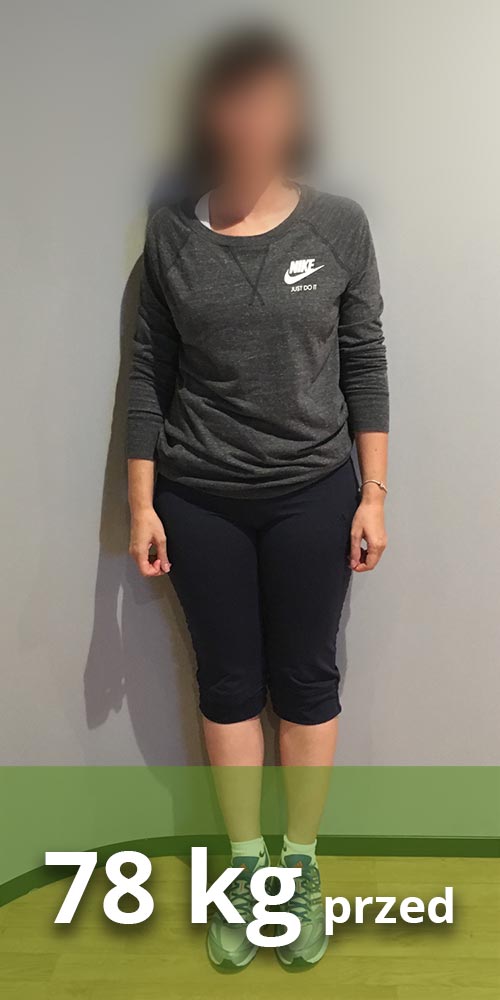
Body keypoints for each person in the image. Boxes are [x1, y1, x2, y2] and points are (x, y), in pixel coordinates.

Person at [127, 28, 389, 970]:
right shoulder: (170, 233)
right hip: (198, 499)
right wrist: (142, 504)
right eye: (233, 101)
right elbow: (148, 374)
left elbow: (365, 360)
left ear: (292, 117)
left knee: (307, 682)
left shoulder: (339, 226)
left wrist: (374, 494)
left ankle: (301, 867)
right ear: (210, 116)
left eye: (269, 102)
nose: (250, 120)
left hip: (314, 493)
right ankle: (247, 873)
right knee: (229, 684)